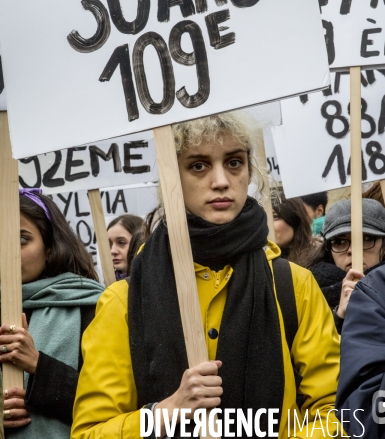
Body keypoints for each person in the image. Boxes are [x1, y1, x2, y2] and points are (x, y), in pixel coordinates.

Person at [72, 112, 342, 439]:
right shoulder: (123, 301)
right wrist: (164, 412)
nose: (221, 181)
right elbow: (90, 432)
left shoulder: (293, 285)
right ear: (172, 176)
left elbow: (334, 412)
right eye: (198, 166)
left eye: (234, 162)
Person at [0, 189, 104, 438]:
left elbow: (110, 404)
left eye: (22, 239)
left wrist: (38, 365)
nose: (9, 252)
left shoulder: (93, 306)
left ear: (49, 247)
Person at [308, 198, 385, 333]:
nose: (352, 250)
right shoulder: (308, 292)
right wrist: (339, 317)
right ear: (328, 248)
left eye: (366, 239)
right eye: (339, 241)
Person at [337, 259, 385, 438]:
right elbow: (364, 409)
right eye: (339, 242)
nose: (349, 250)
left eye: (369, 239)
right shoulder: (379, 290)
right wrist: (338, 319)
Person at [272, 190, 316, 266]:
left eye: (275, 217)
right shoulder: (258, 260)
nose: (267, 223)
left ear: (295, 220)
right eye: (264, 217)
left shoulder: (316, 261)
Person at [107, 214, 143, 279]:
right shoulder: (106, 285)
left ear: (139, 243)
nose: (113, 251)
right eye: (109, 244)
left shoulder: (154, 283)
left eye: (121, 243)